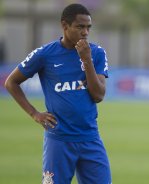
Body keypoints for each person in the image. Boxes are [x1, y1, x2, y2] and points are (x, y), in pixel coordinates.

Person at [5, 3, 111, 184]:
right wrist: (34, 113)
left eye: (88, 27)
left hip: (90, 138)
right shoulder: (44, 54)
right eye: (80, 27)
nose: (85, 32)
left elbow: (98, 95)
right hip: (59, 140)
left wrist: (87, 61)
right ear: (65, 25)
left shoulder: (96, 53)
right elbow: (11, 83)